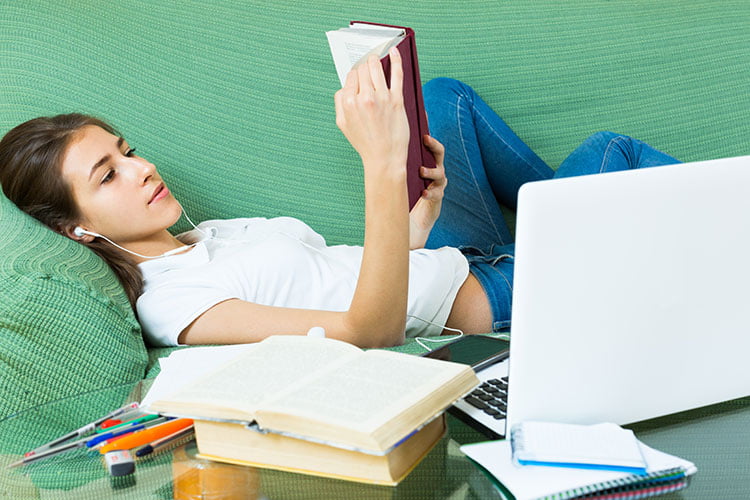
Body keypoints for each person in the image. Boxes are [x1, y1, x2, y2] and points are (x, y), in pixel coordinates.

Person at [0, 48, 680, 348]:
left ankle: (566, 222)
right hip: (487, 301)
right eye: (107, 175)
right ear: (77, 231)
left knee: (439, 99)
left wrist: (418, 217)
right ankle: (579, 226)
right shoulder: (172, 305)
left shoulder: (204, 236)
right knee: (612, 156)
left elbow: (347, 272)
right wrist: (381, 170)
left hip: (449, 256)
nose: (140, 167)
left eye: (126, 149)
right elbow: (367, 329)